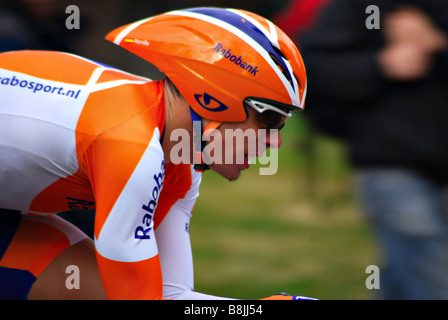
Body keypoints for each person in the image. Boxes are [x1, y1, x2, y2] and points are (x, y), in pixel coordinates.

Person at [0, 7, 308, 300]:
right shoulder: (130, 146)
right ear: (213, 99)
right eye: (270, 119)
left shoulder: (179, 160)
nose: (275, 143)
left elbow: (172, 294)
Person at [300, 0, 448, 299]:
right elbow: (310, 72)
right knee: (430, 265)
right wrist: (380, 65)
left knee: (403, 272)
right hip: (391, 162)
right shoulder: (358, 9)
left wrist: (438, 42)